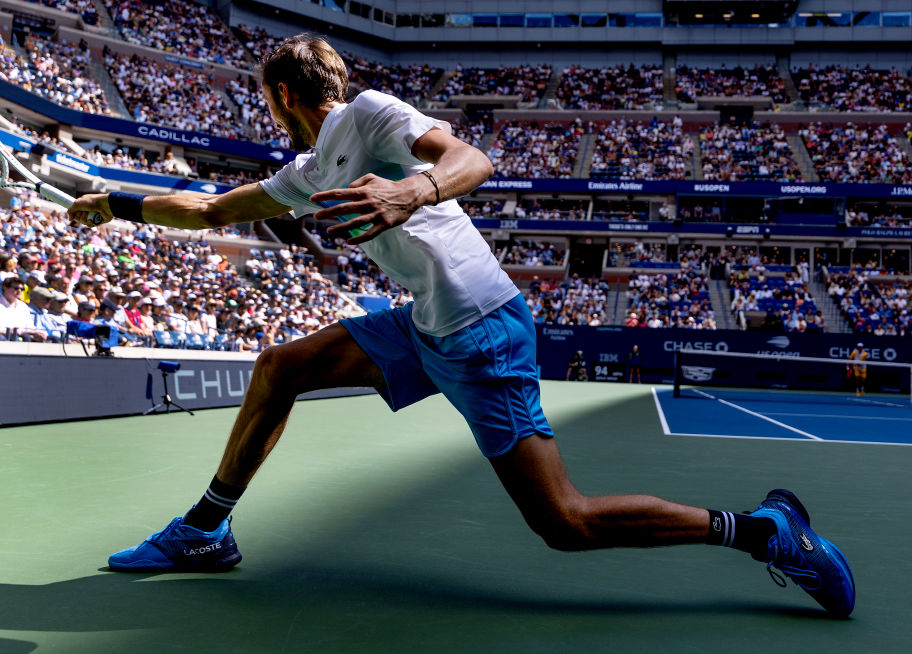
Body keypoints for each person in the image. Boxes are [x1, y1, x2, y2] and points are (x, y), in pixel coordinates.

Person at [68, 34, 854, 618]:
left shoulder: (370, 113)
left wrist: (409, 192)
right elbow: (209, 210)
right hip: (426, 324)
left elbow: (470, 159)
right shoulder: (307, 173)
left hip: (481, 331)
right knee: (282, 366)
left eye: (269, 101)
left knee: (565, 521)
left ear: (282, 96)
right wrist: (116, 202)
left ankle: (762, 531)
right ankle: (206, 530)